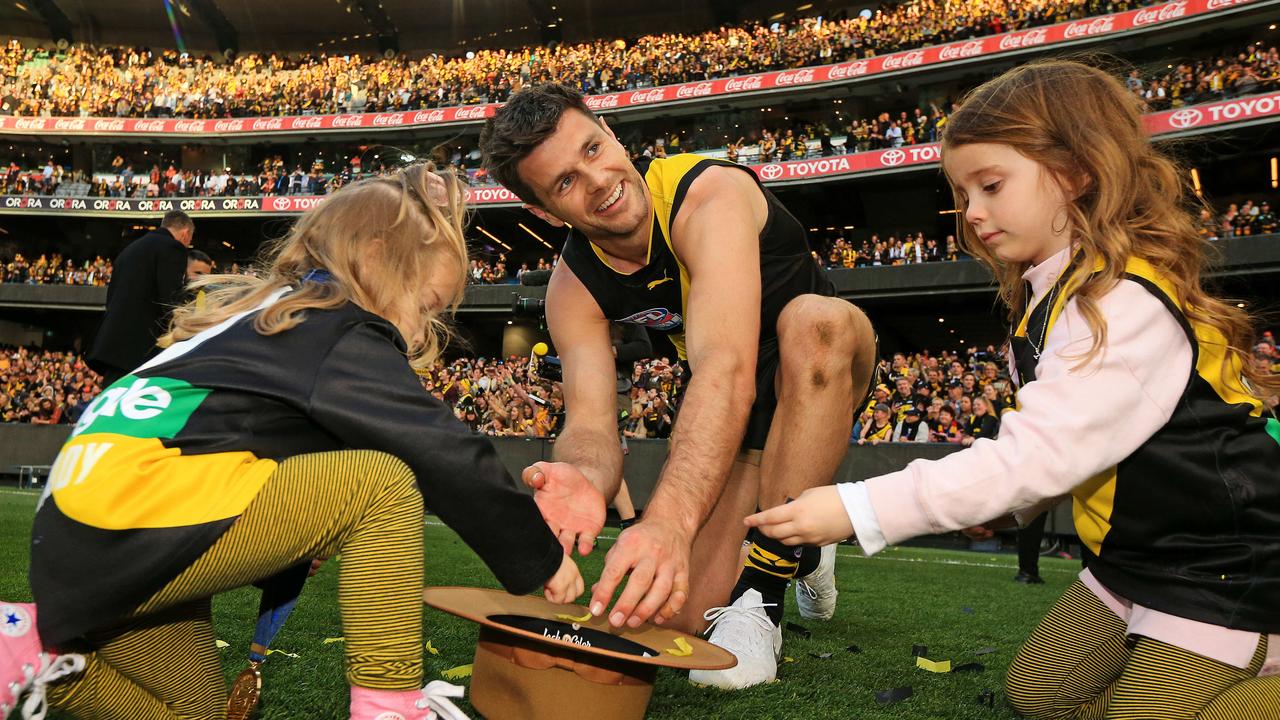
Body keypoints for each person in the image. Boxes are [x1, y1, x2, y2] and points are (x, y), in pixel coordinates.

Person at [746, 60, 1280, 719]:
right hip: (1134, 560)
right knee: (1040, 695)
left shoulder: (1121, 300)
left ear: (1078, 171)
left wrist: (858, 509)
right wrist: (1013, 509)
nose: (972, 212)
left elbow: (1037, 456)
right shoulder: (1053, 292)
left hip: (1223, 568)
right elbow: (1080, 447)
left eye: (991, 184)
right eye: (964, 192)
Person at [1, 164, 581, 720]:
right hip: (141, 513)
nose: (425, 327)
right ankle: (391, 709)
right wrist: (539, 555)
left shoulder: (265, 319)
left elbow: (246, 443)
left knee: (192, 712)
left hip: (89, 531)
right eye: (426, 303)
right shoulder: (335, 324)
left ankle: (33, 656)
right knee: (382, 486)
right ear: (379, 257)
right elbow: (440, 446)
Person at [479, 83, 877, 689]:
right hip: (740, 418)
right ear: (542, 212)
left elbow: (725, 369)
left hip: (816, 370)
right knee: (678, 616)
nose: (597, 180)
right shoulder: (572, 284)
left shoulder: (706, 194)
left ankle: (765, 593)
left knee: (814, 323)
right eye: (564, 182)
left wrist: (666, 522)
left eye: (592, 148)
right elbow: (589, 424)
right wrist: (583, 478)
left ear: (611, 132)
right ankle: (808, 537)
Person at [86, 211, 196, 386]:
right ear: (185, 234)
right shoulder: (172, 248)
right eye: (190, 239)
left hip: (114, 344)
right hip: (141, 348)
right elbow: (170, 299)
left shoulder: (130, 249)